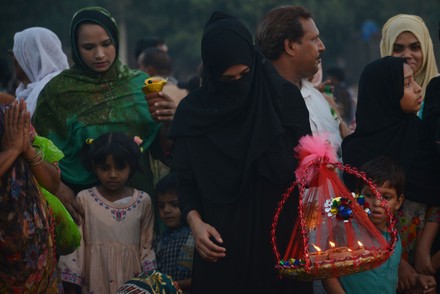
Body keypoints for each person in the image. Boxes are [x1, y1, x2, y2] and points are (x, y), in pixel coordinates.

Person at [169, 11, 312, 293]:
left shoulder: (283, 100)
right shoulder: (195, 114)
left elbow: (306, 169)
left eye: (245, 75)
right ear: (211, 74)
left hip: (280, 247)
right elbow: (184, 182)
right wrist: (195, 224)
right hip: (220, 247)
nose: (239, 84)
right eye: (228, 79)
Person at [33, 6, 175, 224]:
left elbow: (163, 150)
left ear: (116, 41)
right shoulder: (58, 93)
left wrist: (168, 121)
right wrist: (58, 188)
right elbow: (37, 147)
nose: (99, 54)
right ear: (75, 48)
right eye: (88, 47)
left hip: (138, 210)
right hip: (82, 209)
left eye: (106, 44)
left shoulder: (140, 86)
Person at [341, 56, 440, 292]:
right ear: (384, 93)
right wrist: (397, 262)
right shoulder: (356, 150)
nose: (417, 88)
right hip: (373, 265)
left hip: (425, 259)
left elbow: (437, 193)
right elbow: (355, 211)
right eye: (406, 84)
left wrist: (424, 251)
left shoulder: (420, 135)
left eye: (414, 81)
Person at [58, 132, 156, 294]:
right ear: (94, 166)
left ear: (131, 166)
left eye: (120, 167)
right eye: (105, 168)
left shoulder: (143, 201)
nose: (112, 174)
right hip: (94, 282)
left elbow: (147, 246)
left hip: (132, 281)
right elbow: (77, 246)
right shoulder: (85, 199)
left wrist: (148, 280)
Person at [322, 156, 436, 294]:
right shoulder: (346, 230)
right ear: (358, 196)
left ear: (399, 202)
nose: (376, 204)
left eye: (386, 197)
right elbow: (327, 273)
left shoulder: (395, 239)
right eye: (369, 195)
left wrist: (418, 281)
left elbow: (389, 281)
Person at [255, 5, 344, 160]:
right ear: (290, 46)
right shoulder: (263, 106)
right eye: (314, 39)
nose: (322, 47)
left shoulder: (318, 98)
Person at [0, 100, 63, 293]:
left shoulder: (10, 116)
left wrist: (27, 149)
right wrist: (12, 150)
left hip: (39, 263)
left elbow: (52, 184)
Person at [380, 14, 438, 118]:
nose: (406, 55)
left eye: (415, 47)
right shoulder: (377, 101)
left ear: (426, 49)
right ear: (386, 50)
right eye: (397, 49)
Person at [12, 27, 69, 116]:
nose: (14, 58)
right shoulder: (25, 94)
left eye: (15, 53)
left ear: (29, 56)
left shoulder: (53, 90)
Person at [154, 173, 194, 293]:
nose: (166, 210)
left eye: (174, 205)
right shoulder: (158, 241)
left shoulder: (196, 237)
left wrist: (173, 285)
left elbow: (204, 277)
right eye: (161, 206)